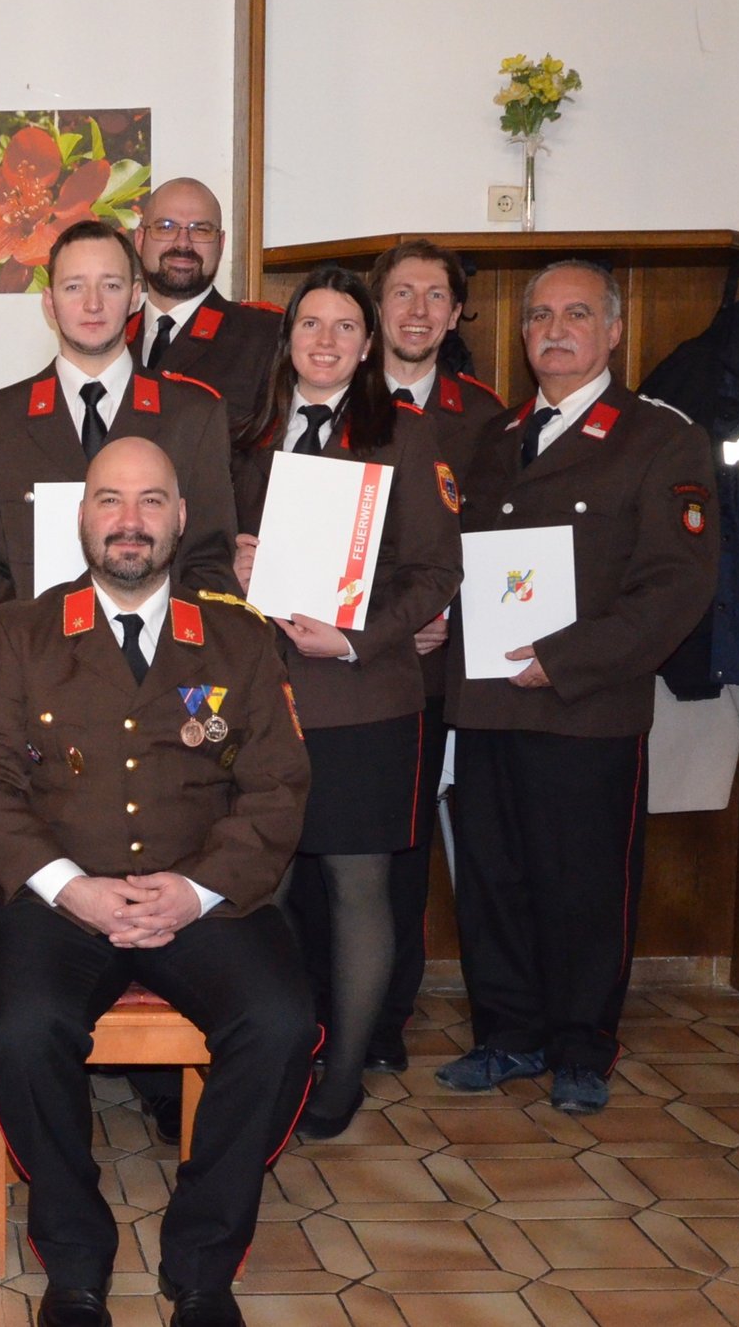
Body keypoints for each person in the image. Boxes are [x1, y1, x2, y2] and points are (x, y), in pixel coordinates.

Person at [0, 436, 313, 1327]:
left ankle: (203, 1260)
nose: (129, 521)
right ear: (81, 516)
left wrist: (196, 891)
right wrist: (67, 885)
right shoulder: (20, 632)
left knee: (279, 1024)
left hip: (203, 901)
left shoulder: (237, 637)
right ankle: (76, 1256)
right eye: (110, 500)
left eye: (151, 501)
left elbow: (278, 787)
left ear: (181, 519)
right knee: (24, 1030)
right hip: (60, 903)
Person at [443, 260, 719, 1114]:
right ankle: (507, 1034)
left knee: (585, 887)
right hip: (486, 700)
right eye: (539, 317)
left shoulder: (659, 437)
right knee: (493, 879)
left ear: (614, 330)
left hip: (585, 705)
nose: (554, 331)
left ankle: (580, 1048)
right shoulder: (492, 437)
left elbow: (675, 587)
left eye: (576, 314)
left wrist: (565, 659)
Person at [229, 267, 461, 1138]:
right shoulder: (245, 435)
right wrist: (230, 564)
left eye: (344, 327)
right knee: (266, 888)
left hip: (364, 698)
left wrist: (357, 636)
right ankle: (279, 1060)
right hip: (264, 701)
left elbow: (437, 571)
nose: (325, 342)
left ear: (368, 345)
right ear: (287, 338)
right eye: (310, 324)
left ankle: (343, 1075)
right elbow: (200, 551)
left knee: (358, 888)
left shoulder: (404, 433)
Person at [0, 220, 238, 653]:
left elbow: (210, 566)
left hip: (159, 668)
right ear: (49, 303)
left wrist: (156, 657)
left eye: (111, 285)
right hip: (35, 672)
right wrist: (30, 658)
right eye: (74, 287)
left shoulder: (193, 415)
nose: (93, 304)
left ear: (135, 296)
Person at [360, 242, 508, 1071]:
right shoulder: (329, 398)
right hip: (334, 667)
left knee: (404, 849)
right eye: (402, 293)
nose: (417, 311)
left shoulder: (486, 418)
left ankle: (385, 1018)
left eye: (435, 297)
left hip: (435, 672)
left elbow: (500, 543)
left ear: (455, 315)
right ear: (376, 306)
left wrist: (446, 613)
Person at [128, 178, 280, 436]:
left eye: (201, 230)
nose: (183, 243)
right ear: (140, 239)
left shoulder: (265, 337)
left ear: (220, 244)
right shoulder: (112, 338)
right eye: (166, 227)